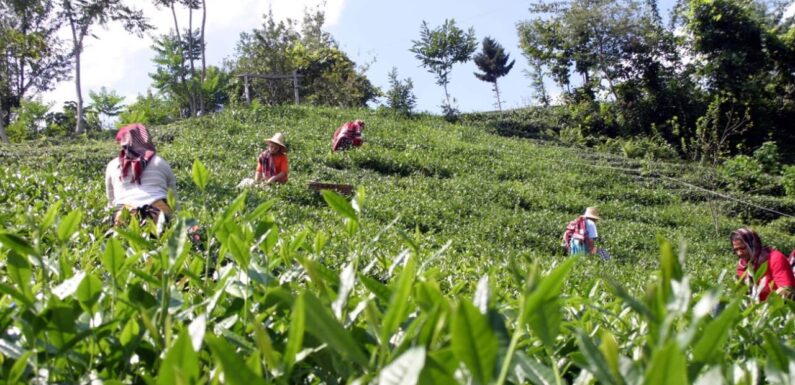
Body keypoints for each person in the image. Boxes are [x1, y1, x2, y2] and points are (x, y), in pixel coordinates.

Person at [105, 123, 177, 226]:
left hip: (125, 214)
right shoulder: (161, 162)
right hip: (158, 213)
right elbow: (173, 198)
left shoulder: (112, 165)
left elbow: (111, 201)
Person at [731, 228, 795, 301]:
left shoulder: (775, 258)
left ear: (753, 245)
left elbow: (787, 290)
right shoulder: (743, 266)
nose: (739, 253)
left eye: (743, 248)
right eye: (736, 249)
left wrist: (765, 308)